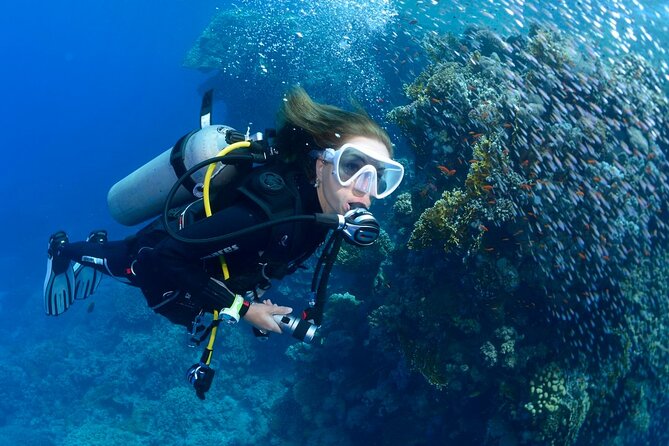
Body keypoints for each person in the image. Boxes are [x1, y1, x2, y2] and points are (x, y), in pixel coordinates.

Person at [43, 87, 404, 397]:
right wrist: (246, 310)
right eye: (353, 166)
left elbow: (255, 254)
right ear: (321, 166)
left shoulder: (322, 212)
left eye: (381, 178)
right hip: (159, 253)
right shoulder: (271, 215)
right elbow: (163, 258)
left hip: (203, 260)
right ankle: (64, 251)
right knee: (124, 264)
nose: (364, 188)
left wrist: (248, 295)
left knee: (124, 255)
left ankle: (98, 244)